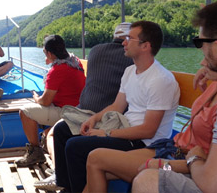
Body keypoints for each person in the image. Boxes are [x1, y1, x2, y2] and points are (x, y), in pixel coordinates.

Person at [53, 21, 180, 192]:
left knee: (75, 147)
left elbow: (148, 130)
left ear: (145, 46)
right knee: (62, 130)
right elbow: (117, 106)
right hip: (124, 127)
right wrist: (94, 119)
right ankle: (65, 186)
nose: (124, 43)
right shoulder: (130, 71)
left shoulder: (160, 80)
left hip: (143, 143)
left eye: (130, 39)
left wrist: (105, 133)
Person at [132, 0, 217, 193]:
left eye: (199, 42)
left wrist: (193, 158)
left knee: (147, 180)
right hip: (194, 162)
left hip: (202, 170)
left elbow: (214, 184)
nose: (201, 54)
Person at [84, 66, 217, 192]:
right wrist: (209, 73)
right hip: (172, 147)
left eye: (207, 55)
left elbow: (209, 165)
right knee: (95, 159)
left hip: (183, 160)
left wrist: (162, 165)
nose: (202, 63)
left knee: (96, 159)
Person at [34, 22, 134, 191]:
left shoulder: (96, 50)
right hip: (103, 113)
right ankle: (66, 184)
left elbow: (45, 100)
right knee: (60, 132)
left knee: (63, 136)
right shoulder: (132, 61)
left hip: (95, 114)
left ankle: (65, 182)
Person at [15, 35, 86, 167]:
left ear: (50, 53)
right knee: (46, 133)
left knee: (24, 111)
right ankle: (44, 141)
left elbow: (46, 101)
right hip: (80, 108)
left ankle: (36, 152)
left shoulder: (57, 70)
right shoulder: (75, 62)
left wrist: (36, 98)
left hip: (67, 112)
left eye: (45, 52)